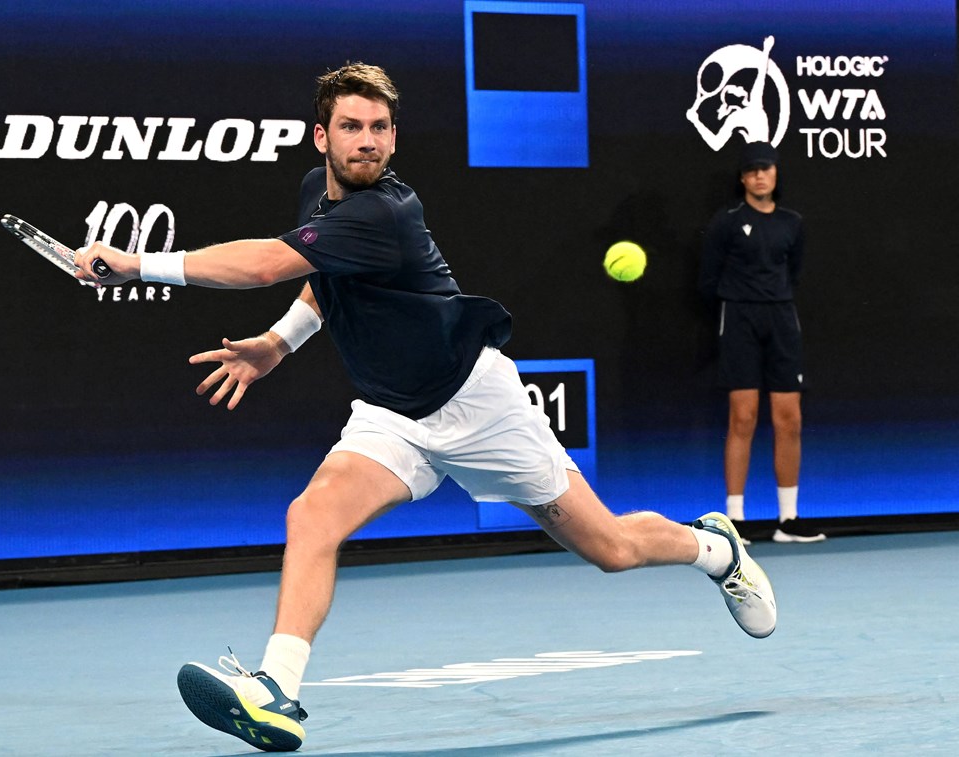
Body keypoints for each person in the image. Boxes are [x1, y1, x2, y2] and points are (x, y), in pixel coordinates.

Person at [75, 63, 777, 753]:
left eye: (380, 127)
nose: (367, 140)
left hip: (478, 404)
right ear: (320, 137)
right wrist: (276, 344)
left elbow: (265, 266)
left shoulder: (386, 210)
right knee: (312, 515)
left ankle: (716, 549)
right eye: (351, 126)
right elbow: (322, 280)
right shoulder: (314, 199)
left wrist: (137, 265)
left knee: (612, 549)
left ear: (394, 137)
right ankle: (277, 689)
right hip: (391, 415)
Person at [699, 141, 825, 544]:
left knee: (790, 418)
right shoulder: (727, 221)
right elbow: (708, 279)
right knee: (744, 417)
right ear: (743, 178)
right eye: (752, 169)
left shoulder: (793, 222)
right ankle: (733, 522)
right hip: (739, 320)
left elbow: (797, 273)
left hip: (783, 320)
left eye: (766, 168)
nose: (759, 175)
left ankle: (788, 520)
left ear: (775, 174)